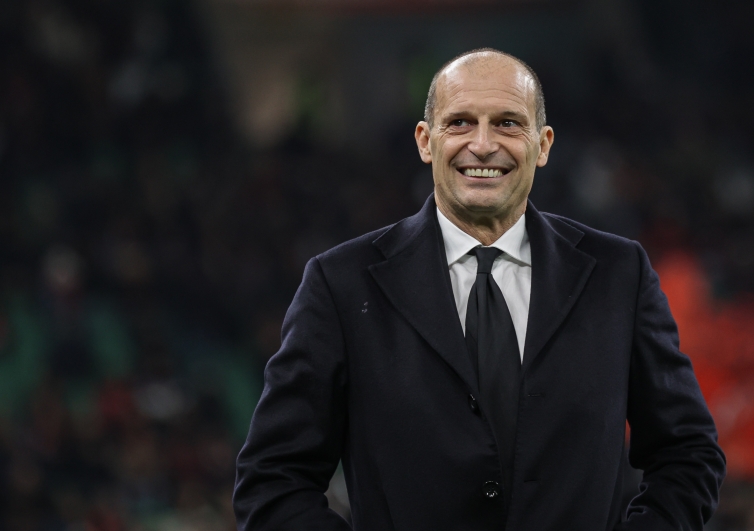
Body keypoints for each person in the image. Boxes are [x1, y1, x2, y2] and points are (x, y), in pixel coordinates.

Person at [233, 48, 725, 531]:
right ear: (426, 141)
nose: (484, 144)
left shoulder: (619, 274)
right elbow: (273, 480)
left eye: (508, 123)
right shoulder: (340, 285)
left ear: (544, 143)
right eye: (460, 122)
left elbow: (687, 450)